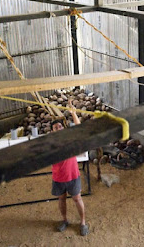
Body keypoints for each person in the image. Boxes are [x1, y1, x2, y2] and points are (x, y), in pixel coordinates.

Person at [51, 100, 88, 236]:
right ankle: (65, 220)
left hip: (72, 175)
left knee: (77, 199)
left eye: (60, 126)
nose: (59, 128)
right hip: (58, 177)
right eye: (56, 127)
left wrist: (73, 113)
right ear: (52, 131)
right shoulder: (50, 143)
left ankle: (83, 222)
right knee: (61, 199)